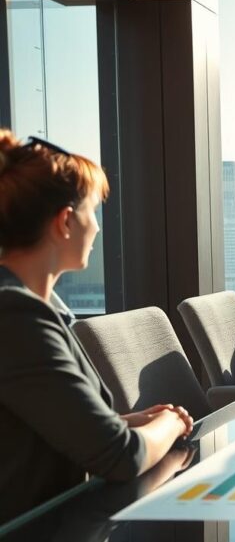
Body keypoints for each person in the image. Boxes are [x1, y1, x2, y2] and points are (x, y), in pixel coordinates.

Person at [0, 131, 193, 522]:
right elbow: (122, 457)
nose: (99, 228)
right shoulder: (16, 314)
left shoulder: (29, 307)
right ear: (66, 222)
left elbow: (27, 424)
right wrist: (170, 423)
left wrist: (116, 423)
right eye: (94, 212)